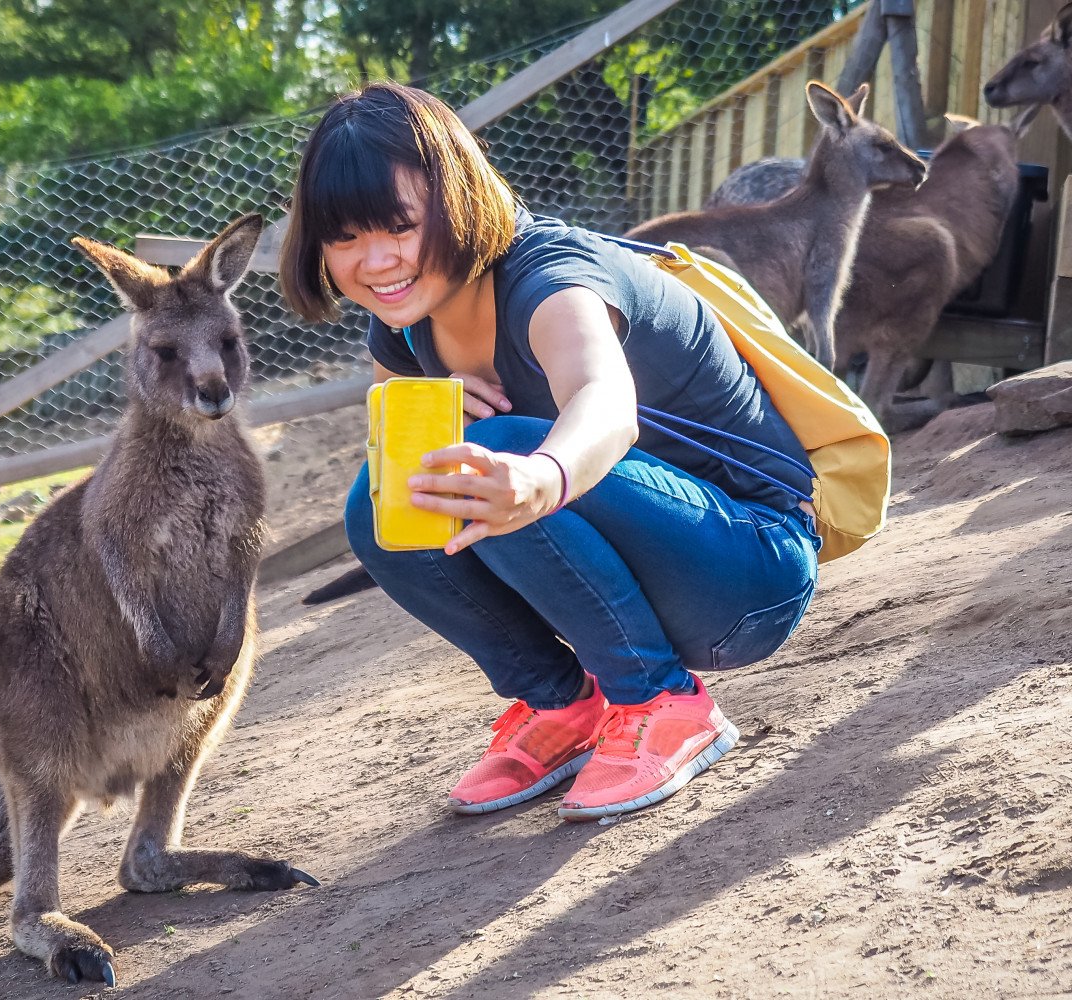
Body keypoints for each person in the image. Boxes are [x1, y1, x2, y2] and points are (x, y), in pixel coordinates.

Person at [278, 81, 820, 821]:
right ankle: (564, 704)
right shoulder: (403, 325)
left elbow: (606, 402)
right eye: (344, 238)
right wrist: (399, 409)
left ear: (458, 198)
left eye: (398, 227)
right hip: (656, 572)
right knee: (383, 498)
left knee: (494, 448)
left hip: (749, 572)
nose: (374, 261)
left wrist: (539, 475)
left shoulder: (551, 277)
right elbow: (402, 457)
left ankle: (664, 702)